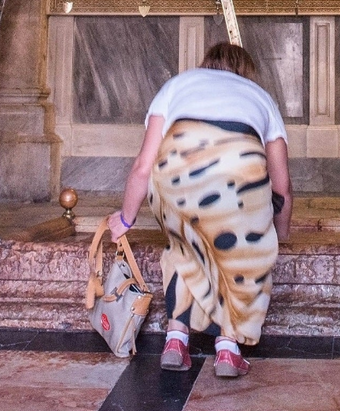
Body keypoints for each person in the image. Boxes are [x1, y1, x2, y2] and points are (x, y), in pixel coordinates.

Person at [106, 44, 293, 377]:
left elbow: (142, 167)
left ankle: (176, 340)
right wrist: (277, 235)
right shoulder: (261, 96)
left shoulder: (177, 85)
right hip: (240, 172)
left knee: (183, 244)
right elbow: (282, 187)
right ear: (245, 72)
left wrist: (125, 219)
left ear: (205, 65)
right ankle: (228, 349)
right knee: (239, 256)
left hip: (178, 169)